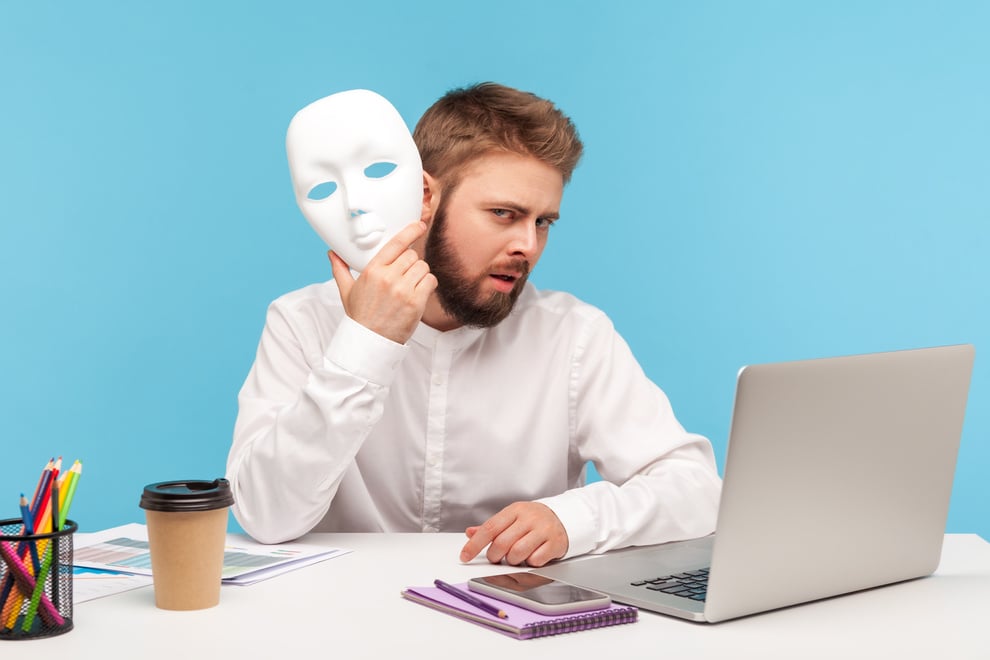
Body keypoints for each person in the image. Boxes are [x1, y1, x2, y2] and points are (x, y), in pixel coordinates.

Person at [226, 82, 721, 567]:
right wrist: (364, 344)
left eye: (543, 222)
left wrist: (573, 519)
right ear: (423, 197)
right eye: (504, 213)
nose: (528, 245)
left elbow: (696, 489)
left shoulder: (574, 335)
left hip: (513, 628)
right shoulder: (301, 322)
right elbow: (267, 518)